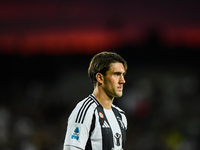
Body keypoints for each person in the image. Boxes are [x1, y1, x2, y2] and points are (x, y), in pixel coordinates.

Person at [63, 51, 128, 150]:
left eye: (123, 74)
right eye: (116, 74)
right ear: (100, 78)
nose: (122, 80)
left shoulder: (120, 115)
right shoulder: (86, 111)